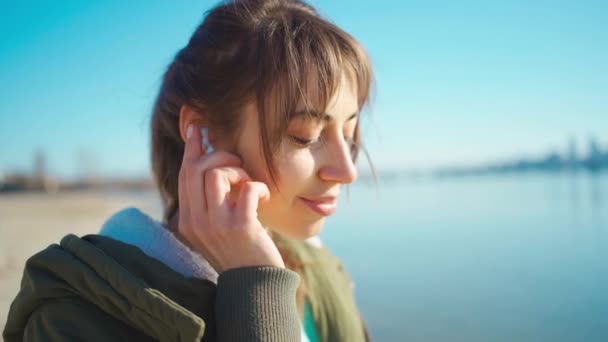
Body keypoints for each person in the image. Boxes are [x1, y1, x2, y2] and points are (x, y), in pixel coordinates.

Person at [3, 0, 374, 340]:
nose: (347, 170)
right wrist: (259, 292)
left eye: (349, 132)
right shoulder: (75, 318)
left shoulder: (320, 272)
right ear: (203, 133)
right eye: (305, 136)